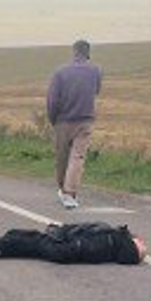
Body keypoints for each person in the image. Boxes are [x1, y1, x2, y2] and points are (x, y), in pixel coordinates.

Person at [0, 222, 146, 265]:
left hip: (62, 249)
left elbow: (139, 251)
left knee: (12, 243)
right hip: (64, 248)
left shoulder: (115, 237)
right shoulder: (114, 239)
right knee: (15, 238)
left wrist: (57, 232)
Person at [47, 40, 103, 210]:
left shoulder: (60, 72)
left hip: (63, 120)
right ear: (88, 53)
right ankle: (69, 192)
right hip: (85, 120)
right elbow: (96, 91)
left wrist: (53, 119)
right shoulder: (96, 70)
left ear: (74, 52)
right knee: (78, 157)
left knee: (62, 157)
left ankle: (64, 190)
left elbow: (52, 100)